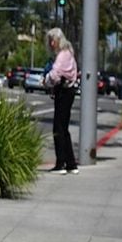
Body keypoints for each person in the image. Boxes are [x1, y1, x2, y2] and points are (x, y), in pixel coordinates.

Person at [45, 27, 79, 174]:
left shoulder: (62, 55)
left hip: (64, 91)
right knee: (63, 128)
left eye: (52, 40)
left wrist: (46, 81)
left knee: (58, 128)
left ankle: (61, 163)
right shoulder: (68, 53)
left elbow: (55, 74)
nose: (51, 43)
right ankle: (70, 163)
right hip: (67, 91)